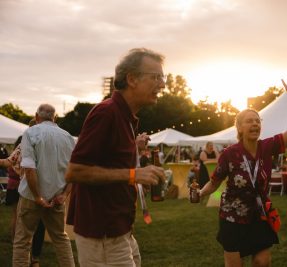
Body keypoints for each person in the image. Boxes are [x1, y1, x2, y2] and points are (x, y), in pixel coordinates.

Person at [65, 48, 166, 267]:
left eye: (162, 77)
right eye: (156, 77)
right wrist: (133, 174)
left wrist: (136, 178)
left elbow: (111, 164)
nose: (162, 84)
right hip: (102, 233)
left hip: (119, 229)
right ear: (132, 79)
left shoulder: (125, 117)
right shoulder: (106, 113)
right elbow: (75, 171)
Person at [200, 80, 287, 267]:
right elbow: (215, 182)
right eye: (250, 121)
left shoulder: (268, 146)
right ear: (240, 128)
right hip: (232, 216)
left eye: (258, 121)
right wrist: (200, 193)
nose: (255, 124)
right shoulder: (229, 154)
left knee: (262, 262)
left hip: (259, 214)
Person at [13, 104, 75, 267]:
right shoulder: (68, 137)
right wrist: (65, 195)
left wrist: (37, 196)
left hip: (30, 197)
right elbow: (74, 170)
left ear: (37, 116)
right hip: (57, 196)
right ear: (54, 118)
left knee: (22, 241)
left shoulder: (31, 132)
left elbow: (29, 168)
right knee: (61, 239)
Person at [0, 120, 47, 267]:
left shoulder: (25, 142)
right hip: (46, 191)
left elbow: (8, 162)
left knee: (24, 227)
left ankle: (26, 258)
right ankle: (35, 259)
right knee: (41, 225)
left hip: (28, 192)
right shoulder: (48, 143)